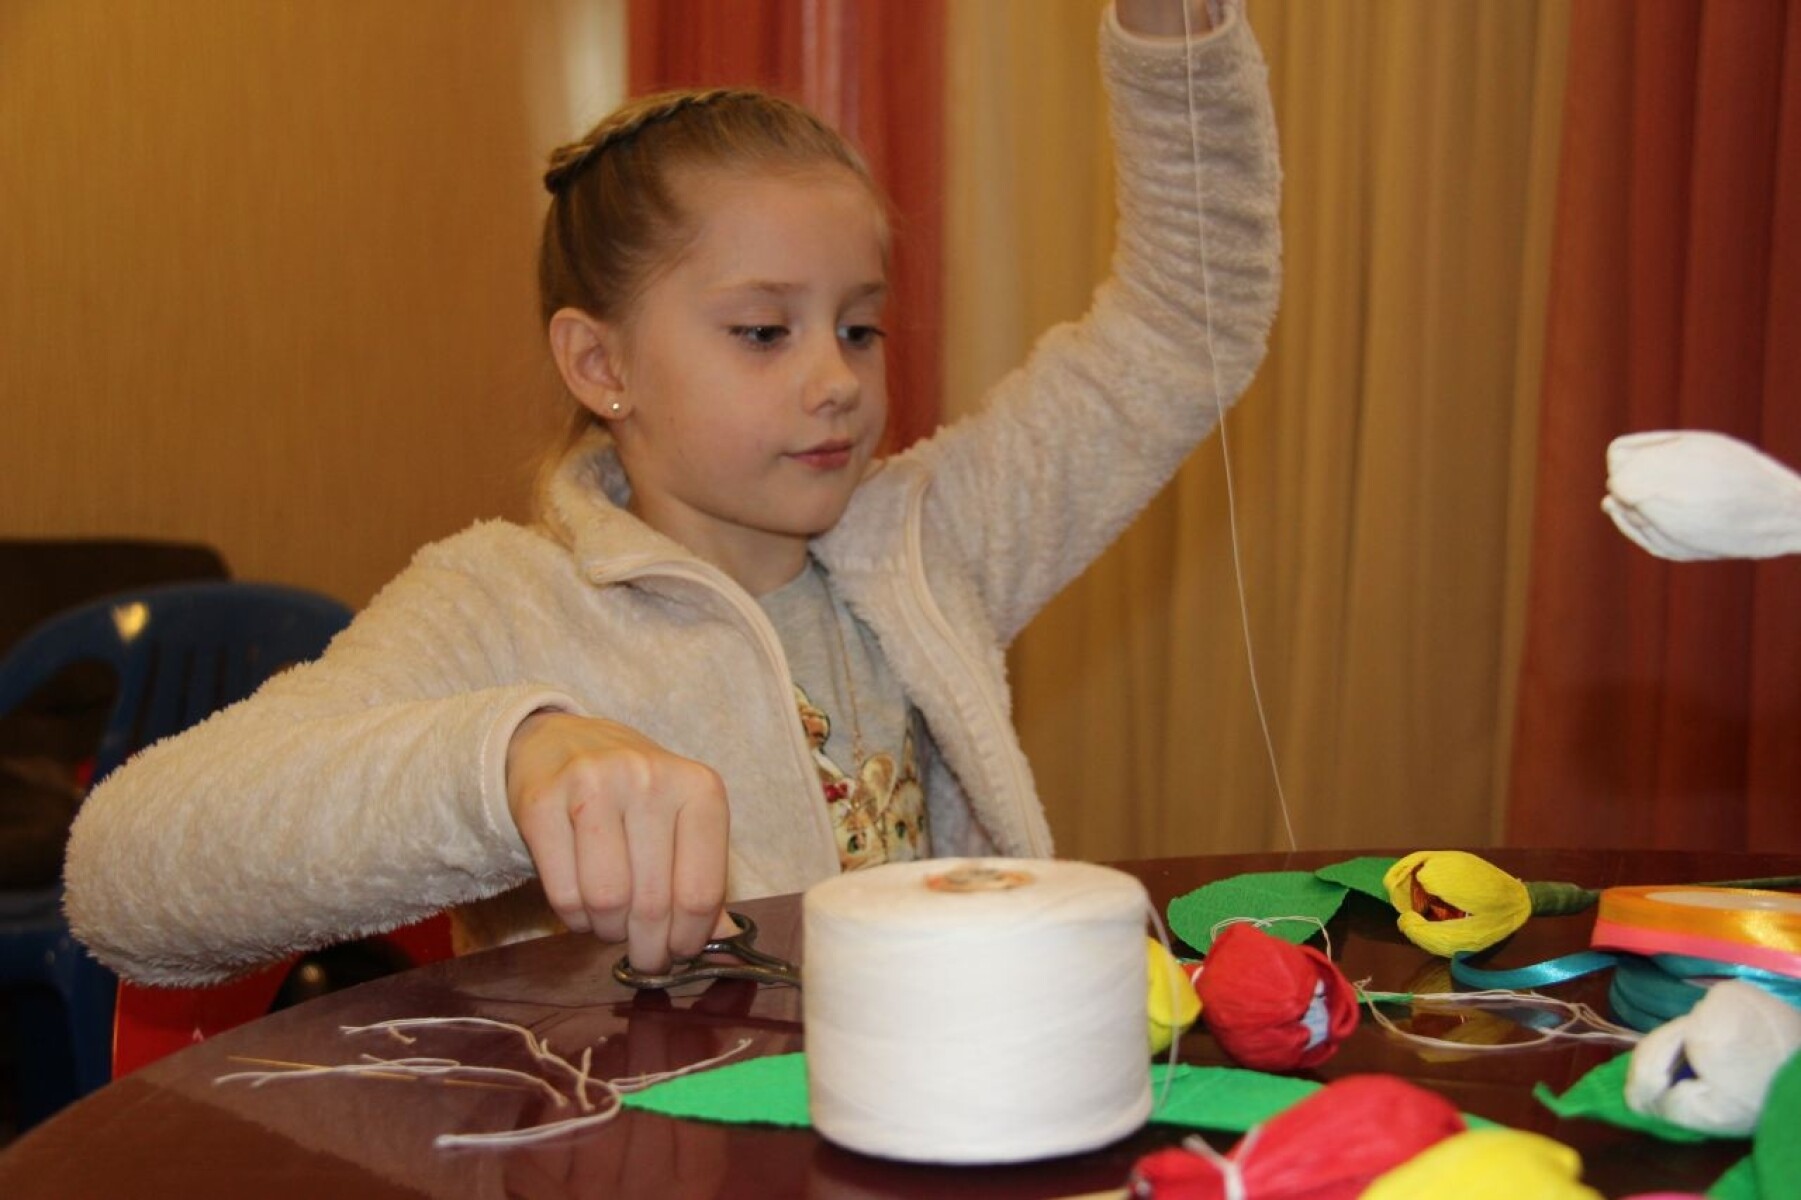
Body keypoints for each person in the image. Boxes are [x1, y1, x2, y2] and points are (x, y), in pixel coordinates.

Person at [64, 0, 1281, 983]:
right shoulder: (501, 606)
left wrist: (1173, 35)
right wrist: (506, 761)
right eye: (762, 332)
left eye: (859, 329)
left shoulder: (927, 542)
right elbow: (122, 876)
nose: (835, 382)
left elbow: (1185, 326)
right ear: (601, 367)